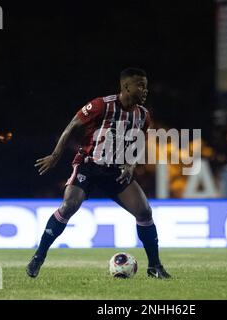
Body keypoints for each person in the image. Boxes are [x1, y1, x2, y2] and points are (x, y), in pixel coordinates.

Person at [26, 68, 171, 279]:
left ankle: (154, 266)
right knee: (69, 206)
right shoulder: (102, 105)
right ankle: (39, 256)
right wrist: (56, 155)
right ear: (126, 86)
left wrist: (130, 164)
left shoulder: (143, 115)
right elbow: (72, 125)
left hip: (114, 171)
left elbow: (140, 140)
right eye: (140, 85)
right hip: (88, 165)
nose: (145, 90)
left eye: (146, 86)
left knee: (144, 212)